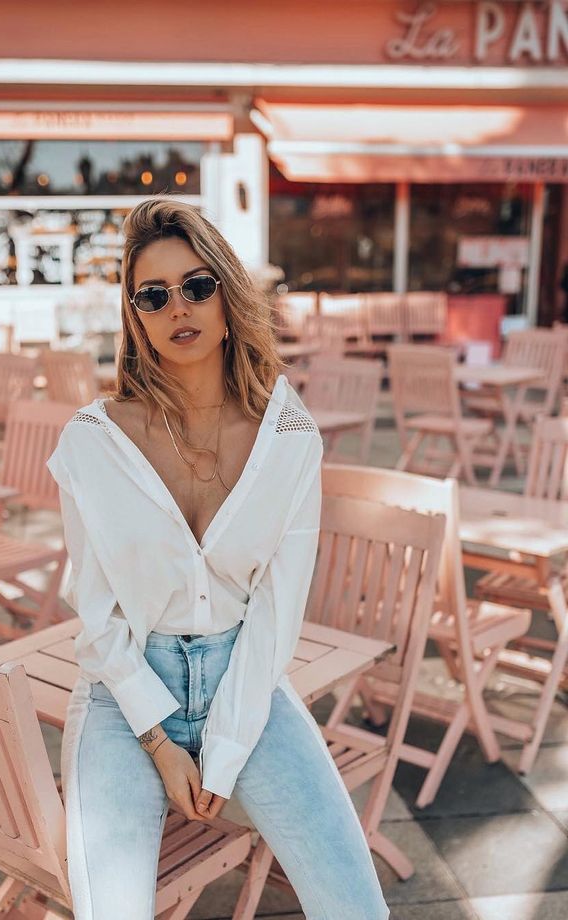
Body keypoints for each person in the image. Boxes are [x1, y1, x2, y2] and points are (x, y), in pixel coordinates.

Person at [47, 198, 389, 920]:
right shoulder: (92, 441)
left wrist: (225, 748)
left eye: (198, 285)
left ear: (229, 295)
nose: (180, 306)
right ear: (135, 316)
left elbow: (276, 609)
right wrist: (161, 740)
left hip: (248, 681)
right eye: (154, 294)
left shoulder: (289, 433)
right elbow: (98, 613)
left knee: (356, 908)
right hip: (126, 694)